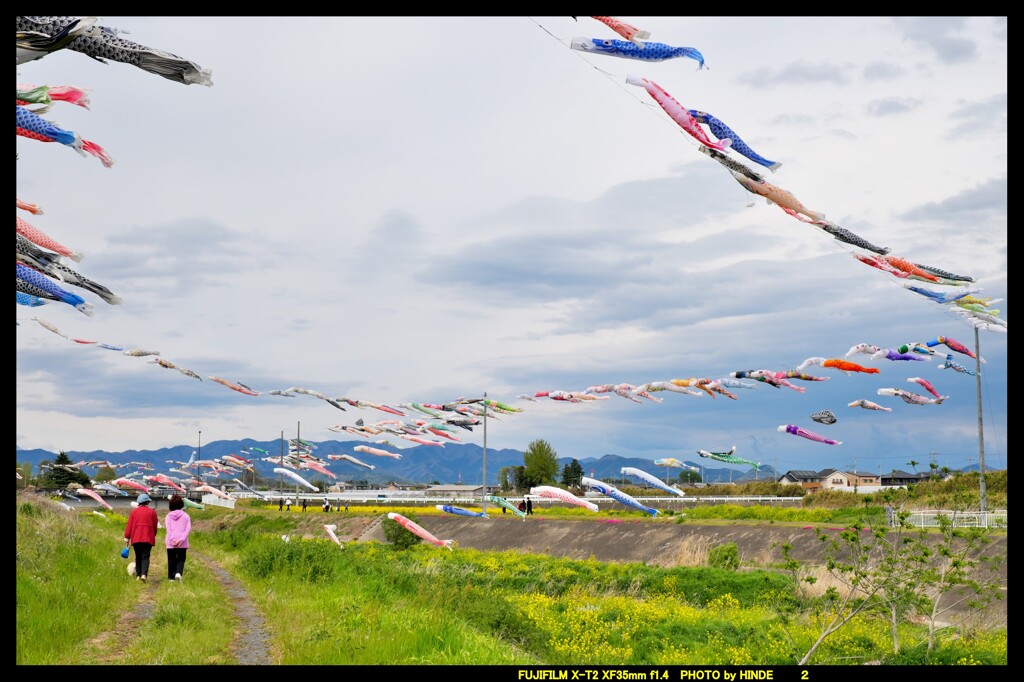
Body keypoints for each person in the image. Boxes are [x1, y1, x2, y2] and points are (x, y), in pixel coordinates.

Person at [124, 493, 158, 582]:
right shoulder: (152, 512)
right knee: (145, 557)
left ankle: (138, 575)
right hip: (147, 538)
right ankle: (144, 574)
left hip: (136, 539)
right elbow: (155, 526)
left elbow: (129, 526)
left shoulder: (133, 512)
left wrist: (127, 538)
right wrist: (153, 535)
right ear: (147, 502)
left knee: (138, 557)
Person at [164, 494, 191, 582]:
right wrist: (181, 540)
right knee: (181, 559)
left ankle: (171, 578)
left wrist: (172, 540)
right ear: (181, 505)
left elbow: (168, 529)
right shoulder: (186, 516)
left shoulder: (168, 516)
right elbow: (188, 529)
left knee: (171, 560)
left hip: (171, 543)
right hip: (182, 543)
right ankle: (178, 573)